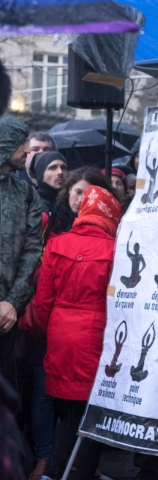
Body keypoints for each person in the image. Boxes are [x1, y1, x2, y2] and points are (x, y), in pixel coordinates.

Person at [35, 185, 121, 480]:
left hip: (61, 334)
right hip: (96, 335)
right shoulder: (115, 250)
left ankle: (54, 472)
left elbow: (43, 302)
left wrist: (38, 329)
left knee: (68, 412)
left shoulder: (57, 244)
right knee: (93, 413)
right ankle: (82, 473)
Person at [0, 115, 42, 389]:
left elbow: (31, 253)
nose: (28, 149)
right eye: (21, 142)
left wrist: (13, 302)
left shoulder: (27, 194)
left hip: (5, 319)